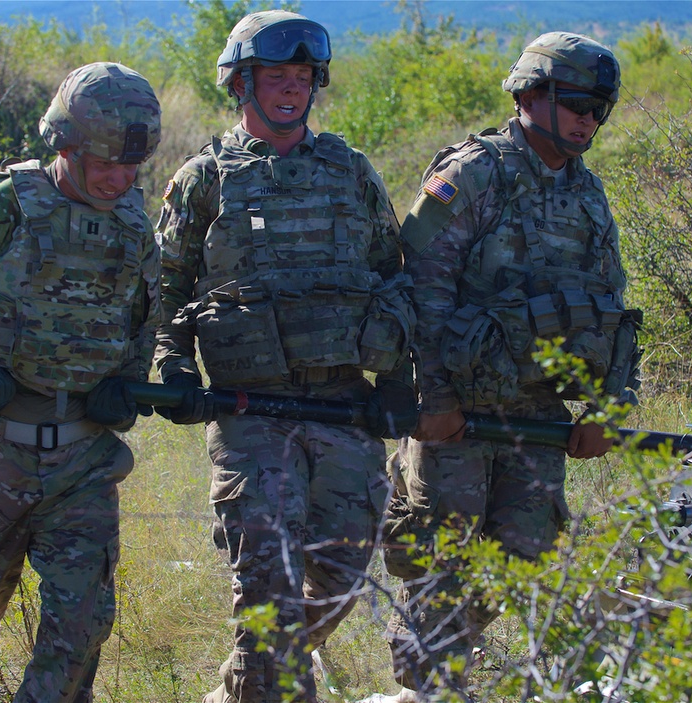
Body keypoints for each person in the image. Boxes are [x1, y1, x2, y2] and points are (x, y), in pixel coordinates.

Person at [152, 10, 416, 703]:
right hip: (250, 412)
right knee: (266, 587)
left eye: (303, 76)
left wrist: (395, 375)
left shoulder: (351, 172)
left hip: (342, 405)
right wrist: (173, 367)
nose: (292, 89)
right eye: (276, 76)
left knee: (341, 576)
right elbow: (164, 286)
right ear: (242, 83)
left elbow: (393, 277)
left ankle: (240, 688)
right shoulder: (204, 176)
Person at [373, 32, 641, 700]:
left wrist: (608, 409)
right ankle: (427, 685)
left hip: (537, 417)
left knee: (523, 554)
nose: (587, 119)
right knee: (443, 561)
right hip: (456, 420)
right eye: (576, 101)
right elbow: (420, 289)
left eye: (598, 108)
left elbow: (612, 309)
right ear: (530, 95)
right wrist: (432, 399)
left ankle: (428, 667)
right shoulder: (473, 175)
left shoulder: (588, 197)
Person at [0, 62, 161, 703]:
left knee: (80, 628)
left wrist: (123, 390)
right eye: (103, 162)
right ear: (64, 145)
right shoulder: (2, 208)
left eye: (130, 167)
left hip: (83, 461)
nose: (117, 178)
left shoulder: (134, 226)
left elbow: (142, 324)